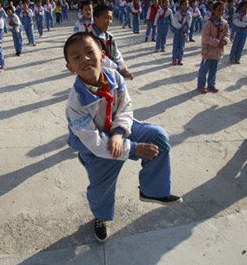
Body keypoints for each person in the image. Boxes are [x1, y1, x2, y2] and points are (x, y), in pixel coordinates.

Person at [64, 32, 183, 243]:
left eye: (89, 52)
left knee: (158, 137)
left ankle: (152, 190)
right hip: (96, 146)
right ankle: (100, 217)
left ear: (102, 55)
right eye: (76, 57)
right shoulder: (75, 103)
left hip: (118, 129)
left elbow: (125, 107)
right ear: (70, 67)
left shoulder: (115, 77)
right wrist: (132, 148)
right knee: (101, 189)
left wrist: (119, 134)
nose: (84, 59)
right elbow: (92, 140)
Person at [91, 4, 134, 80]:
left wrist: (123, 67)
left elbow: (116, 54)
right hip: (97, 76)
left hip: (111, 74)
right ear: (95, 19)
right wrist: (118, 68)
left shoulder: (110, 37)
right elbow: (101, 60)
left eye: (110, 18)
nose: (109, 21)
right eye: (105, 18)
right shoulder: (91, 39)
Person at [196, 1, 231, 94]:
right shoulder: (208, 23)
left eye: (222, 10)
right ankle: (201, 85)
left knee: (214, 69)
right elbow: (205, 37)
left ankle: (211, 84)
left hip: (217, 51)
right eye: (219, 10)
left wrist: (225, 40)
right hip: (208, 51)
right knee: (204, 69)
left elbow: (227, 34)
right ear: (214, 10)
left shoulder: (224, 23)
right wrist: (217, 42)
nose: (221, 12)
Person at [229, 0, 247, 64]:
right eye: (245, 6)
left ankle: (237, 58)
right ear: (241, 7)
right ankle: (232, 58)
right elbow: (236, 22)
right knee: (235, 45)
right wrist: (245, 25)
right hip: (238, 32)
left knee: (241, 46)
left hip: (244, 32)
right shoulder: (237, 14)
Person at [171, 0, 192, 65]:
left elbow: (189, 22)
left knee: (182, 46)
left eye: (186, 4)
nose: (185, 6)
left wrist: (186, 28)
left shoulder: (188, 14)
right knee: (175, 46)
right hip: (177, 31)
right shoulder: (177, 13)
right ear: (180, 5)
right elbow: (174, 22)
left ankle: (180, 59)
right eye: (183, 4)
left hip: (184, 32)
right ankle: (174, 58)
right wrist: (181, 26)